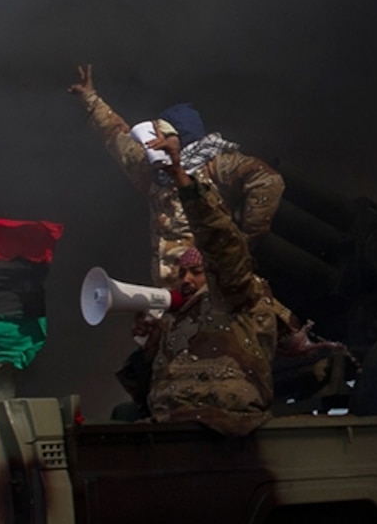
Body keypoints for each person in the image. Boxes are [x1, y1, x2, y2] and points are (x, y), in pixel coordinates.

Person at [69, 67, 284, 284]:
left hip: (211, 283)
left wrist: (244, 242)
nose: (155, 140)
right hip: (170, 286)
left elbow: (267, 180)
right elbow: (116, 134)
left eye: (164, 135)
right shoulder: (153, 170)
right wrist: (90, 99)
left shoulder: (216, 165)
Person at [142, 171, 294, 435]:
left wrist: (183, 181)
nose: (186, 280)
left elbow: (221, 244)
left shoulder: (235, 297)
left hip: (226, 428)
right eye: (181, 274)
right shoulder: (175, 320)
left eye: (196, 272)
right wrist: (149, 345)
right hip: (175, 429)